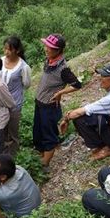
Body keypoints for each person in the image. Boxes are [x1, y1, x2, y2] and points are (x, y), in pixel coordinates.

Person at [33, 34, 82, 170]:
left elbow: (77, 85)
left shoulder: (63, 69)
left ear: (58, 50)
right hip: (40, 103)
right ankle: (41, 155)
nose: (46, 49)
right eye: (46, 46)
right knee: (38, 131)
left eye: (51, 47)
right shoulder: (49, 61)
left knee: (48, 134)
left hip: (49, 106)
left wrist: (60, 92)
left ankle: (45, 164)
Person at [62, 65, 110, 160]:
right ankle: (106, 145)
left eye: (103, 76)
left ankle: (107, 147)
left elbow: (79, 112)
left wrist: (66, 119)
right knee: (91, 115)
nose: (100, 79)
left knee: (79, 119)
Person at [0, 36, 32, 156]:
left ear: (17, 51)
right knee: (1, 130)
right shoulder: (0, 61)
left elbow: (27, 84)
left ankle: (13, 156)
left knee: (13, 131)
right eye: (5, 49)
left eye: (9, 49)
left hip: (14, 104)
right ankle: (2, 155)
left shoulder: (23, 67)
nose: (6, 52)